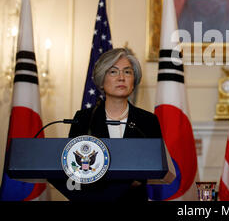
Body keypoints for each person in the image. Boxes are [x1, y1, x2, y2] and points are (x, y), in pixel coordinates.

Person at [68, 48, 163, 201]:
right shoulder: (84, 119)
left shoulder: (148, 121)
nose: (121, 78)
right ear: (101, 79)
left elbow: (156, 165)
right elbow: (72, 165)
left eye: (127, 72)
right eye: (113, 72)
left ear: (134, 80)